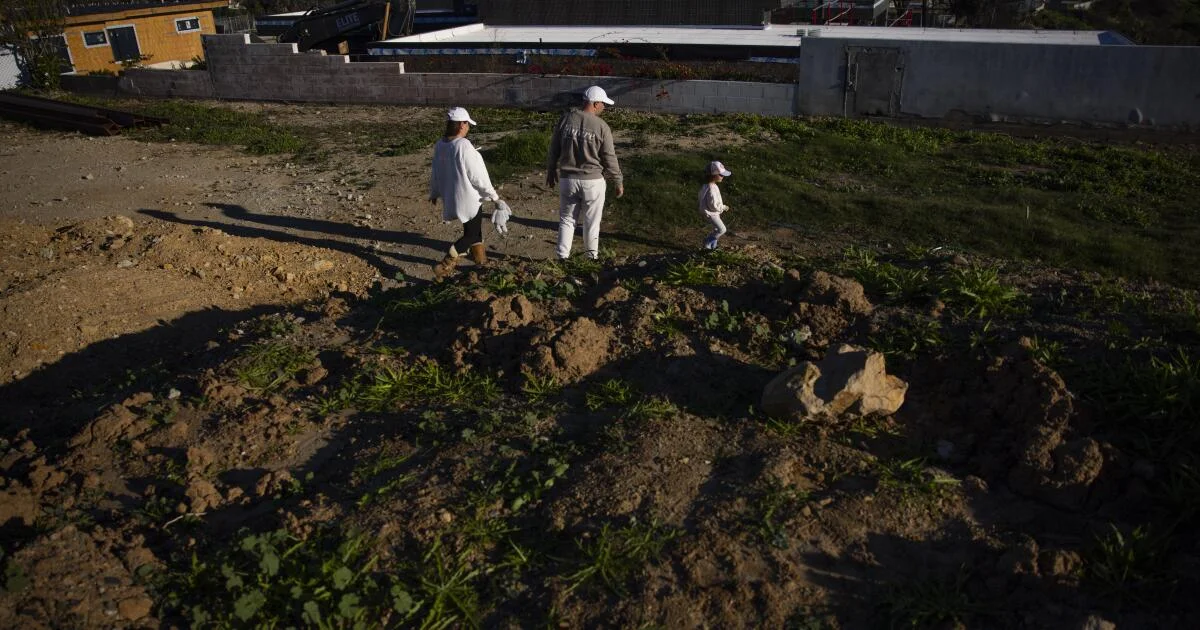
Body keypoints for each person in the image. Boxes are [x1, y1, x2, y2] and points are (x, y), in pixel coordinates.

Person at [429, 107, 511, 280]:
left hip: (453, 196)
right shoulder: (463, 146)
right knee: (471, 234)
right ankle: (444, 264)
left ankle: (481, 262)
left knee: (474, 230)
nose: (468, 128)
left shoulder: (441, 144)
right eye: (467, 124)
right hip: (470, 198)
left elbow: (435, 171)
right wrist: (495, 198)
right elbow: (478, 176)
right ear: (461, 125)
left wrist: (434, 192)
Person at [546, 85, 624, 260]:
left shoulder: (565, 119)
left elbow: (554, 147)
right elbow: (609, 157)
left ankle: (562, 257)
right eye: (603, 104)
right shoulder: (601, 126)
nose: (604, 107)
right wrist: (618, 180)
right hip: (593, 181)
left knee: (567, 220)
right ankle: (591, 258)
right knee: (591, 223)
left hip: (568, 179)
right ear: (595, 103)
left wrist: (551, 169)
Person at [699, 160, 732, 250]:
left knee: (717, 229)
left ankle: (713, 246)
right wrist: (723, 207)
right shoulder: (711, 188)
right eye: (721, 175)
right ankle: (707, 243)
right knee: (722, 229)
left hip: (708, 211)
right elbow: (713, 205)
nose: (723, 177)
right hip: (711, 213)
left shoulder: (707, 185)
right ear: (713, 175)